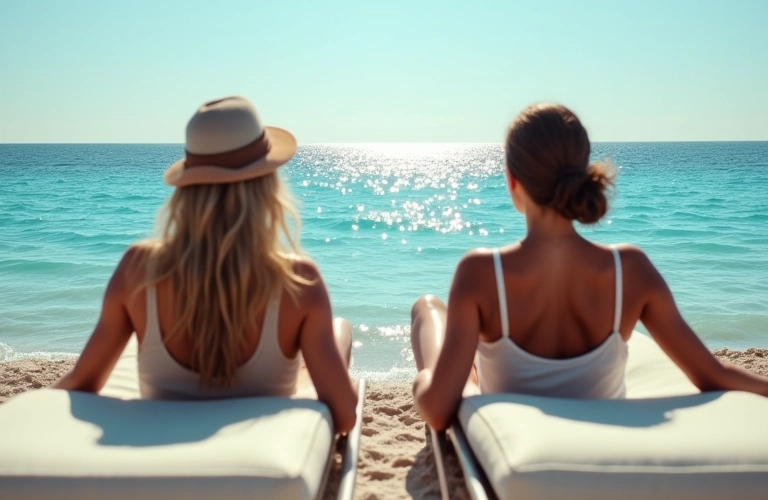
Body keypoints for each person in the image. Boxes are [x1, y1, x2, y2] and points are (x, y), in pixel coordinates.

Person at [411, 103, 768, 430]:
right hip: (603, 434)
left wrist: (424, 379)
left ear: (512, 180)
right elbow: (713, 375)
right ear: (581, 174)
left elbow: (438, 411)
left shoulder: (481, 272)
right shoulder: (631, 269)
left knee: (427, 308)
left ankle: (462, 370)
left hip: (518, 434)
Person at [54, 96, 357, 434]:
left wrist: (33, 411)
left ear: (187, 187)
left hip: (159, 441)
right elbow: (344, 417)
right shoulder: (298, 280)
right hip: (252, 453)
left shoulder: (137, 268)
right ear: (267, 185)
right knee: (339, 332)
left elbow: (82, 383)